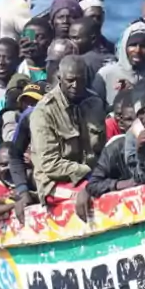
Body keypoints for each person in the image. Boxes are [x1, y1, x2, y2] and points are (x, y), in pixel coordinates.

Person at [28, 55, 106, 203]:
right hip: (54, 183)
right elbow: (50, 164)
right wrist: (88, 173)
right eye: (70, 80)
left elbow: (101, 148)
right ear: (59, 78)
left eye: (80, 80)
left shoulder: (95, 103)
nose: (75, 85)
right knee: (93, 196)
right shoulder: (44, 111)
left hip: (92, 176)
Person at [92, 21, 145, 102]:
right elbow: (94, 106)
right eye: (133, 45)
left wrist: (133, 90)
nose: (137, 50)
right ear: (124, 46)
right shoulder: (105, 75)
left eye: (143, 46)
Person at [17, 17, 53, 83]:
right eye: (30, 36)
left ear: (50, 39)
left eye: (40, 37)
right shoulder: (18, 68)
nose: (34, 41)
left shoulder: (56, 67)